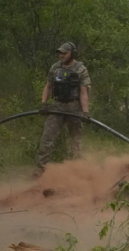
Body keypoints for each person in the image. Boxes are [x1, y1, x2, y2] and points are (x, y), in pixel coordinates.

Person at [36, 42, 91, 177]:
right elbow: (48, 86)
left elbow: (83, 92)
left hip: (74, 107)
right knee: (47, 138)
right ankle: (40, 170)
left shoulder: (80, 69)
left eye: (64, 53)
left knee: (75, 140)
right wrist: (43, 103)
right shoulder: (55, 68)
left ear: (72, 53)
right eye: (60, 53)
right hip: (57, 106)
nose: (61, 55)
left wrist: (85, 112)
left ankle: (76, 171)